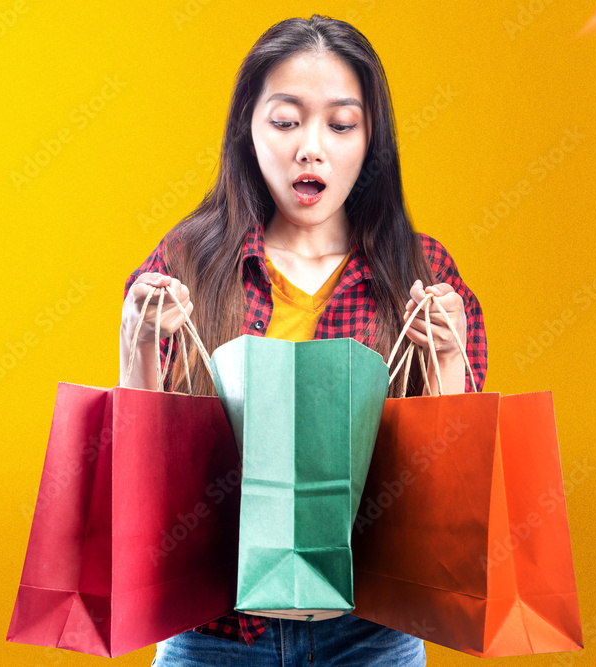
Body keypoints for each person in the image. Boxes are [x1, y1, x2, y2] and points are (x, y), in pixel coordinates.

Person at [118, 14, 488, 667]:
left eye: (340, 124)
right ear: (247, 132)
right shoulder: (185, 262)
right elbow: (141, 478)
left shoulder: (421, 270)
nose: (310, 147)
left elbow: (449, 493)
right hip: (213, 629)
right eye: (286, 121)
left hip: (373, 631)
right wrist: (137, 347)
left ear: (371, 141)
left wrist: (450, 357)